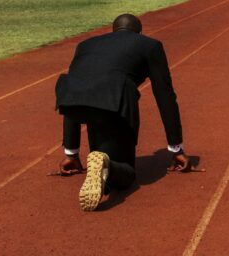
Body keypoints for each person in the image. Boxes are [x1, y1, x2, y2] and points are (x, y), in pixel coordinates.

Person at [55, 13, 191, 211]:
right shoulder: (149, 45)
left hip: (78, 102)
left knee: (100, 148)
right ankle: (107, 166)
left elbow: (74, 92)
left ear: (113, 31)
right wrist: (176, 148)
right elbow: (164, 95)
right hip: (116, 100)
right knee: (125, 176)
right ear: (139, 32)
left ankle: (98, 162)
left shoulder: (85, 45)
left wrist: (71, 152)